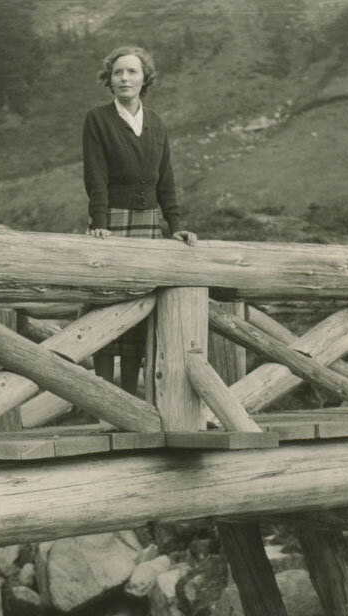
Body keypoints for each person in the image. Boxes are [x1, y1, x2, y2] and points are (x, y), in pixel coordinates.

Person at [83, 45, 196, 392]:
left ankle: (129, 396)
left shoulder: (157, 124)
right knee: (104, 304)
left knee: (138, 307)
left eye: (132, 71)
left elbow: (167, 180)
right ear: (109, 79)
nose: (124, 78)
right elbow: (95, 176)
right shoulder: (98, 119)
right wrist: (99, 223)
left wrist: (176, 227)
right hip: (110, 224)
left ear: (145, 78)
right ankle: (105, 395)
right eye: (118, 72)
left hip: (148, 225)